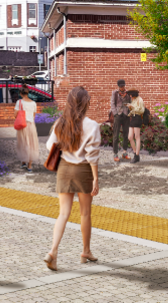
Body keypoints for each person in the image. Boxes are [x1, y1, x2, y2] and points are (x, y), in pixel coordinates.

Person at [45, 87, 100, 271]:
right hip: (83, 171)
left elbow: (48, 145)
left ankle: (52, 251)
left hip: (64, 170)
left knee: (63, 213)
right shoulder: (92, 125)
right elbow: (92, 156)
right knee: (85, 213)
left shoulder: (61, 122)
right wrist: (95, 179)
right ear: (86, 103)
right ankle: (85, 251)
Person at [15, 86, 39, 171]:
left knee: (23, 143)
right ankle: (29, 166)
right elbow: (33, 115)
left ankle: (23, 162)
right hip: (31, 125)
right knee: (32, 144)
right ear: (28, 93)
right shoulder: (33, 103)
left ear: (21, 93)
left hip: (23, 125)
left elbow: (16, 115)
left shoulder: (19, 102)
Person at [110, 80, 130, 162]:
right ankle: (115, 154)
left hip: (126, 116)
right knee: (116, 135)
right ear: (118, 86)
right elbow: (112, 103)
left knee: (126, 135)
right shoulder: (115, 93)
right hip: (118, 116)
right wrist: (115, 114)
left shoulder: (128, 93)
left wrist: (129, 111)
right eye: (121, 86)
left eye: (123, 86)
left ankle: (124, 153)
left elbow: (130, 103)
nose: (122, 87)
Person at [126, 89, 144, 163]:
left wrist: (132, 107)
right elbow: (133, 109)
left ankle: (136, 155)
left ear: (134, 94)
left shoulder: (140, 100)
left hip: (137, 118)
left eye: (131, 95)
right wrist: (129, 107)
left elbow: (142, 110)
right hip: (133, 118)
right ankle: (135, 152)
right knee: (130, 137)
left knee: (137, 137)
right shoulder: (134, 100)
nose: (130, 96)